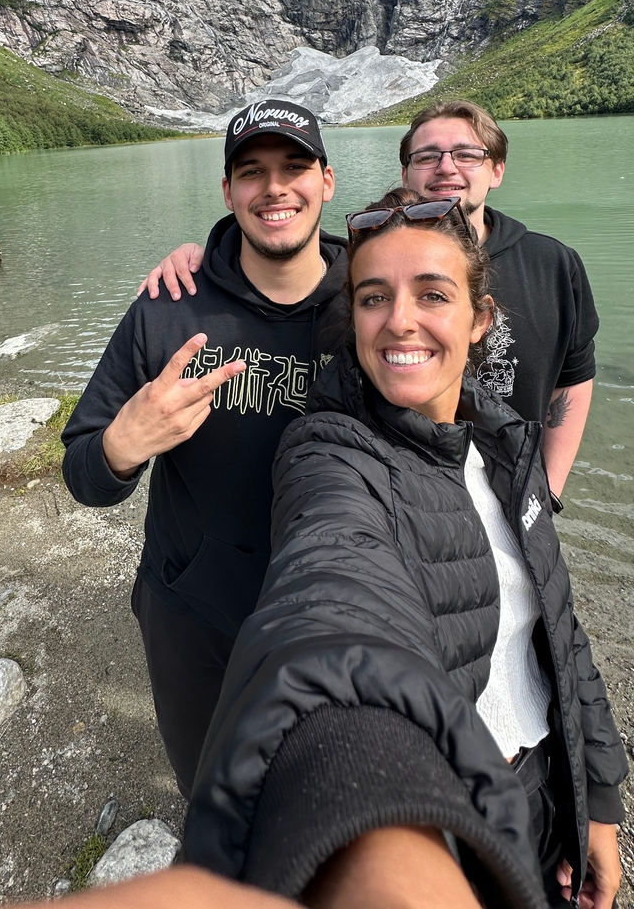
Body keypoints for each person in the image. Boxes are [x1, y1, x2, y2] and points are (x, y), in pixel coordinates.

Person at [180, 189, 627, 909]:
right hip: (457, 819)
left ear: (480, 320)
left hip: (553, 790)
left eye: (433, 294)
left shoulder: (507, 442)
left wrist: (600, 798)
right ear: (351, 315)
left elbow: (561, 627)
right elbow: (332, 592)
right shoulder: (330, 455)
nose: (400, 322)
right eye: (374, 297)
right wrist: (370, 830)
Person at [61, 99, 348, 799]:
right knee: (210, 792)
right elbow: (83, 473)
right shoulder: (168, 308)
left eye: (294, 167)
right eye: (252, 172)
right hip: (193, 614)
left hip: (338, 611)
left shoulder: (371, 302)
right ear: (227, 192)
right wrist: (122, 447)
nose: (274, 188)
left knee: (323, 800)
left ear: (328, 182)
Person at [141, 100, 597, 496]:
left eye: (467, 154)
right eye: (426, 156)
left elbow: (574, 377)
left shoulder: (553, 264)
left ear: (497, 169)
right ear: (405, 172)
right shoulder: (367, 265)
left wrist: (547, 491)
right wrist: (210, 255)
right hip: (404, 495)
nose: (445, 167)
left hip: (515, 497)